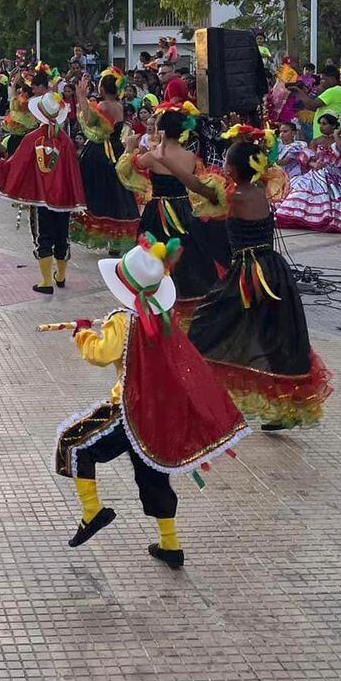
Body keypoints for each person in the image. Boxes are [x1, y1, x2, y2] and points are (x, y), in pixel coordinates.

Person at [54, 235, 248, 561]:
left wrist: (83, 334)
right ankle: (170, 545)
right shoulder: (163, 313)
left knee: (71, 442)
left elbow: (102, 354)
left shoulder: (121, 318)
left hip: (129, 408)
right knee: (152, 472)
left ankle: (93, 512)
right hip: (156, 411)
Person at [186, 130, 332, 429]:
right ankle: (279, 410)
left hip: (249, 274)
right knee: (272, 336)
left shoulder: (235, 196)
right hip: (272, 270)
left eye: (227, 162)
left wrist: (171, 163)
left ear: (233, 170)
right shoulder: (258, 190)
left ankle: (198, 391)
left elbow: (197, 187)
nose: (223, 167)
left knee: (206, 325)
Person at [0, 89, 85, 295]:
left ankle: (46, 281)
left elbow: (16, 164)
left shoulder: (32, 138)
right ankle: (60, 276)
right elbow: (72, 170)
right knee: (62, 236)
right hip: (63, 198)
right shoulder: (65, 140)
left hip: (40, 198)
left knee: (43, 236)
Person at [132, 104, 231, 299]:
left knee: (154, 250)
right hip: (183, 207)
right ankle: (182, 290)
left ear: (162, 130)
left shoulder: (152, 156)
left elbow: (134, 165)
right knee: (184, 250)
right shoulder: (190, 157)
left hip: (158, 210)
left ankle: (156, 290)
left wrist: (131, 148)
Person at [70, 70, 142, 253]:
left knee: (99, 193)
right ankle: (116, 239)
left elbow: (88, 124)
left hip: (100, 152)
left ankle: (107, 235)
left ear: (102, 88)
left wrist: (82, 99)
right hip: (116, 150)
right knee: (117, 193)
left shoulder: (103, 105)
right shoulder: (119, 105)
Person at [273, 112, 341, 235]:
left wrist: (336, 136)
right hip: (316, 174)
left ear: (333, 126)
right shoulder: (316, 141)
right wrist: (315, 165)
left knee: (339, 197)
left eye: (324, 124)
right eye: (320, 124)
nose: (321, 127)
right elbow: (306, 158)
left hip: (336, 175)